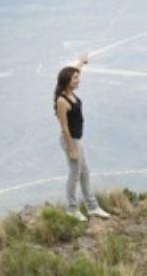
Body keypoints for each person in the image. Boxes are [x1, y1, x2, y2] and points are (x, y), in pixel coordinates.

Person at [54, 53, 111, 221]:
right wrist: (71, 149)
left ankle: (92, 207)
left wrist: (81, 63)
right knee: (75, 174)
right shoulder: (62, 101)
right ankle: (71, 209)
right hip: (70, 141)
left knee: (84, 172)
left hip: (77, 140)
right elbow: (64, 128)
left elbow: (74, 71)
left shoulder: (70, 92)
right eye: (75, 79)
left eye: (77, 78)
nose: (78, 80)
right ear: (67, 81)